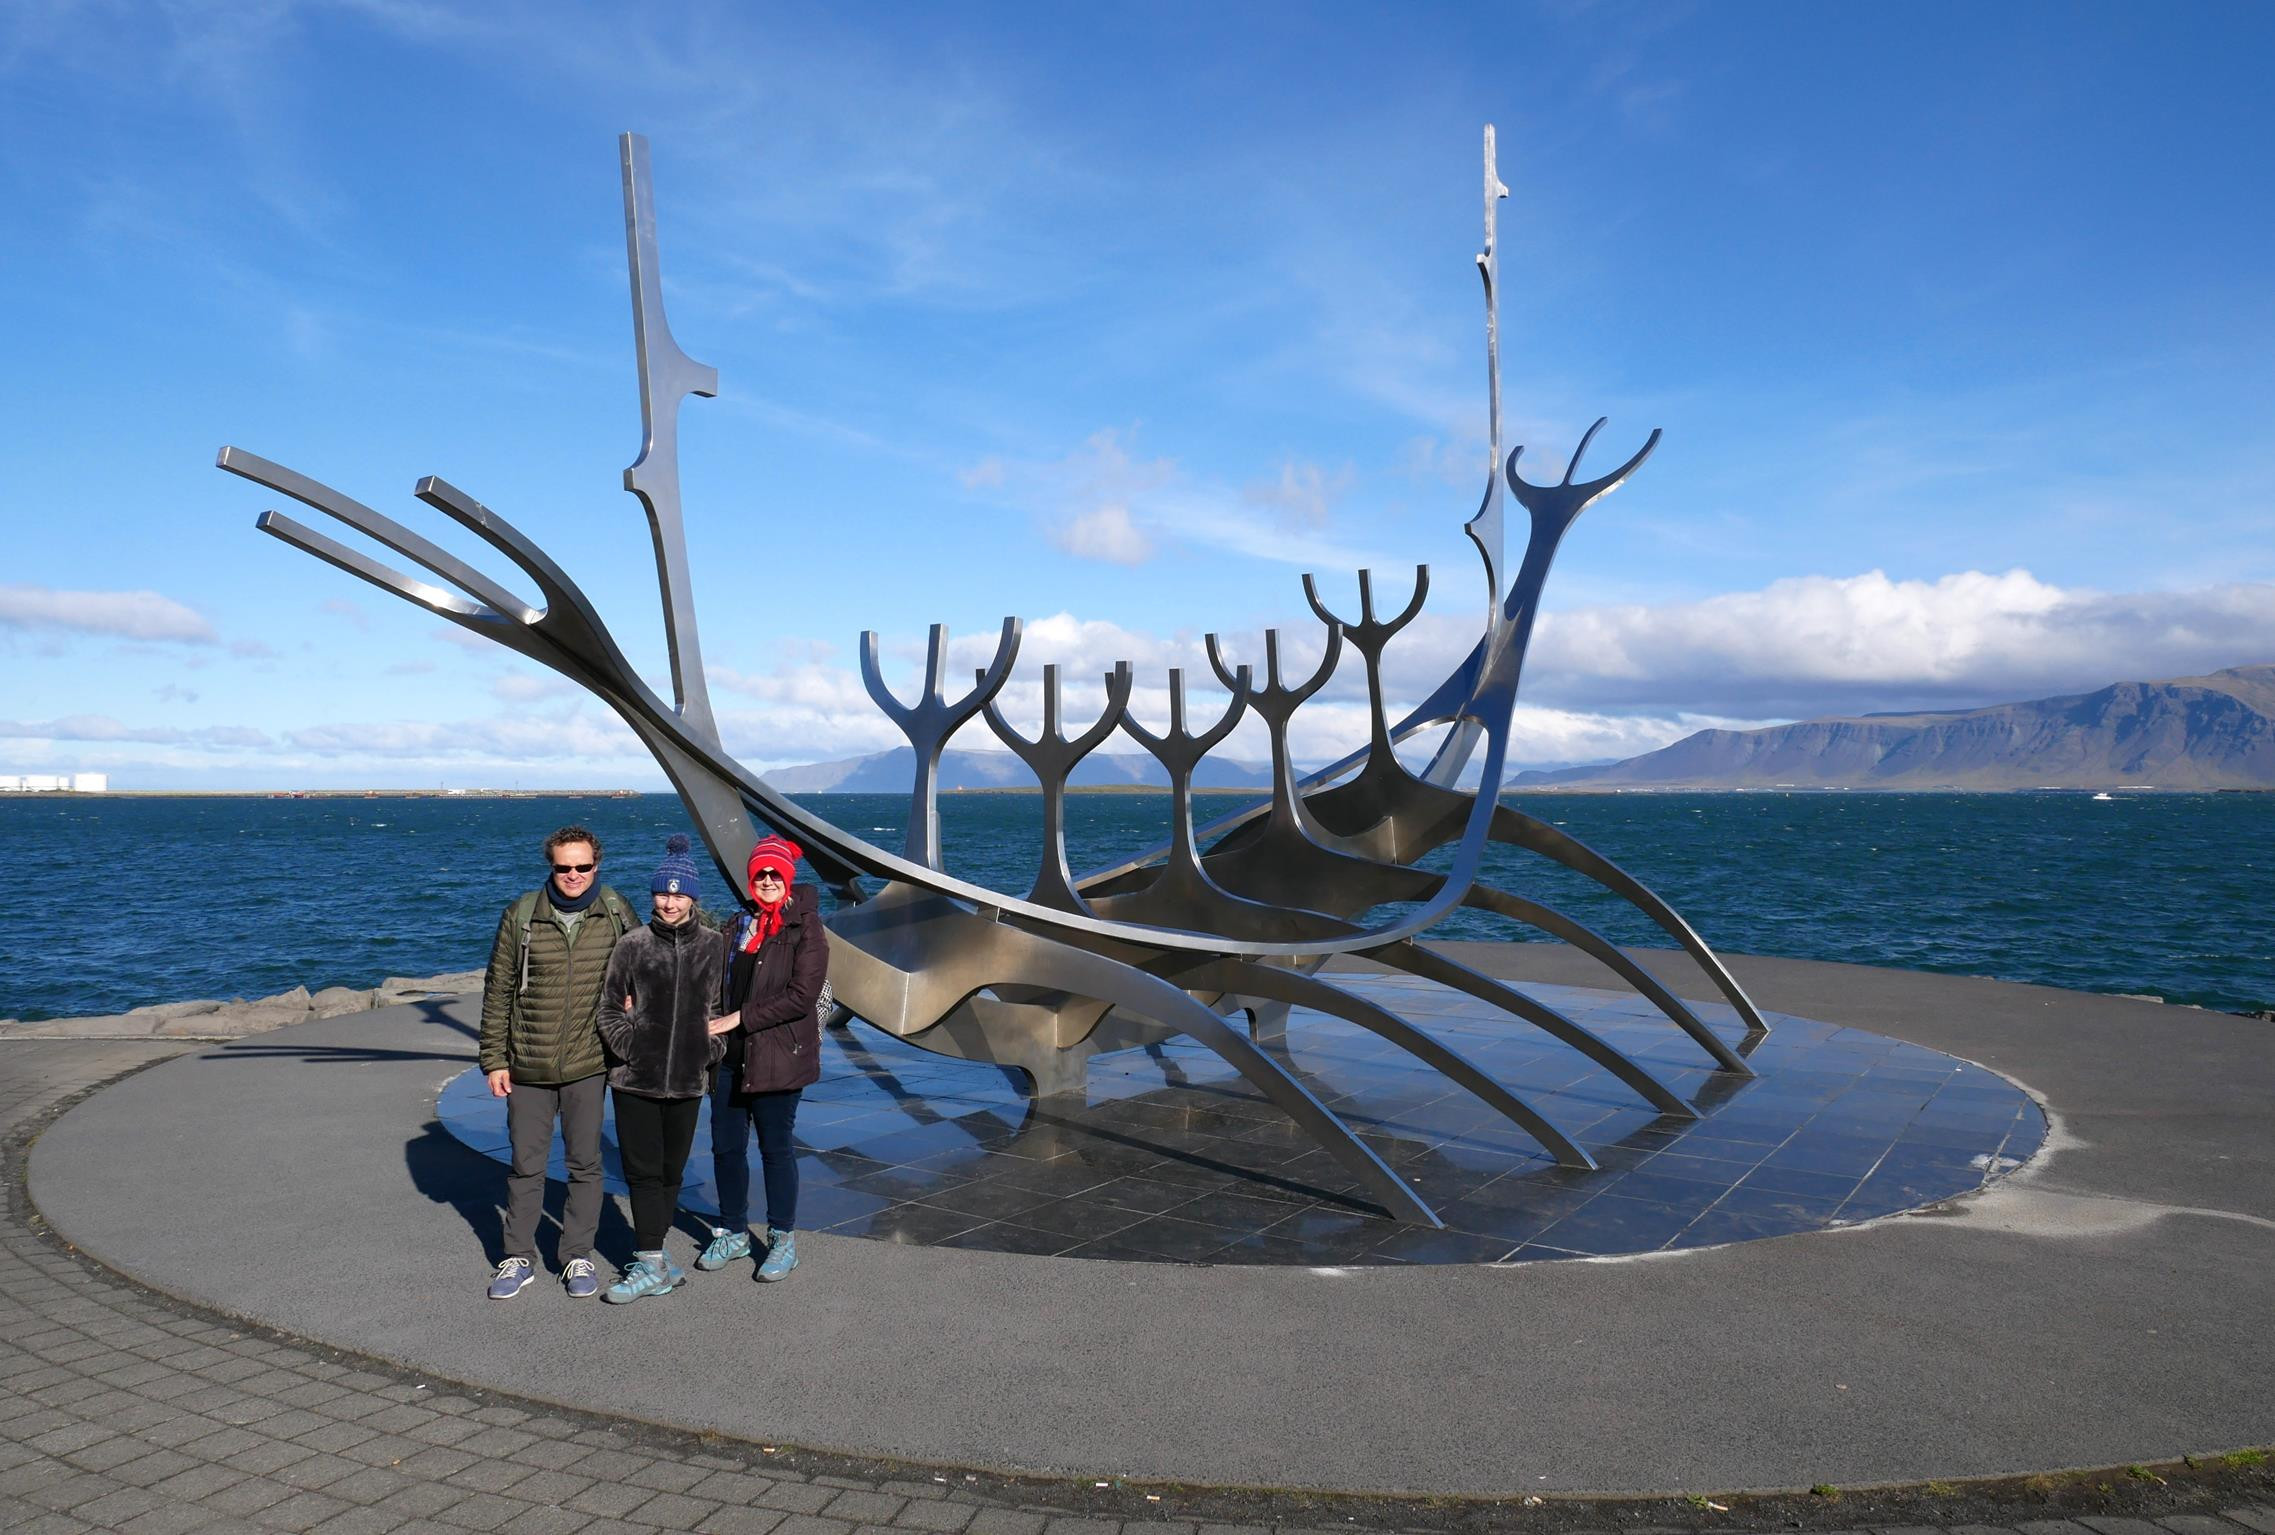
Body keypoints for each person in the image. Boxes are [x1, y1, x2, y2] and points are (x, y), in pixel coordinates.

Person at [478, 825, 638, 1301]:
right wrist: (493, 1059)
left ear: (597, 865)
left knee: (585, 1164)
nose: (573, 875)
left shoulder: (614, 911)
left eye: (582, 866)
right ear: (551, 867)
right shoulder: (522, 915)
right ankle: (517, 1257)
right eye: (563, 867)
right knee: (526, 1165)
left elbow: (643, 969)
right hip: (527, 1063)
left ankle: (576, 1255)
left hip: (589, 1062)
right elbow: (498, 990)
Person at [595, 834, 731, 1303]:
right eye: (662, 892)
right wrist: (633, 1049)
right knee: (642, 1171)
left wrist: (707, 1051)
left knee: (672, 1170)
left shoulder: (714, 947)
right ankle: (649, 1258)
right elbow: (609, 1008)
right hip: (636, 1079)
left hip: (689, 1081)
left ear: (692, 896)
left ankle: (657, 1260)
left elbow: (721, 1010)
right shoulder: (631, 945)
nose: (669, 902)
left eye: (678, 893)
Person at [699, 833, 830, 1282]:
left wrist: (739, 1018)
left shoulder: (806, 928)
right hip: (729, 1059)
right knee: (726, 1149)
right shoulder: (738, 926)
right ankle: (734, 1231)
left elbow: (802, 996)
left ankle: (782, 1239)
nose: (769, 879)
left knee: (776, 1149)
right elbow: (711, 981)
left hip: (778, 1057)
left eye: (776, 873)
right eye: (761, 874)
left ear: (788, 878)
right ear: (751, 880)